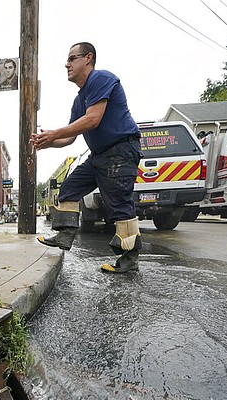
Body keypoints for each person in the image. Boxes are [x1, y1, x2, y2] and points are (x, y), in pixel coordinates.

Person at [31, 42, 143, 273]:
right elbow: (70, 137)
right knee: (70, 187)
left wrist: (55, 133)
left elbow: (93, 119)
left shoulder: (101, 79)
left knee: (119, 206)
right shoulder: (79, 100)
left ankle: (129, 261)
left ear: (88, 58)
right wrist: (48, 142)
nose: (67, 64)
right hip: (100, 155)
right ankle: (65, 235)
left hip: (120, 151)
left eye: (72, 58)